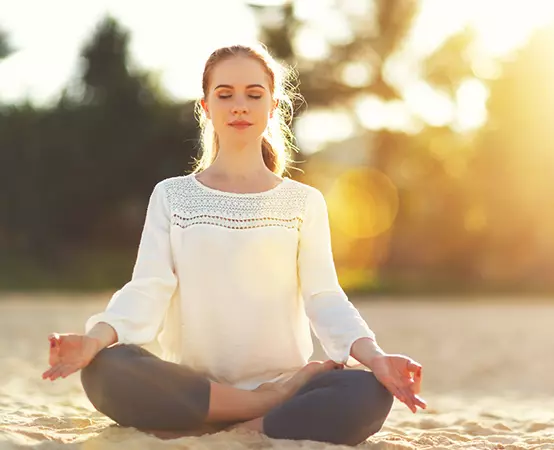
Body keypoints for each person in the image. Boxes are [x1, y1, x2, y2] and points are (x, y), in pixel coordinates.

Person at [41, 43, 425, 446]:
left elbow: (324, 296)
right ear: (206, 106)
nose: (239, 105)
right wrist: (94, 340)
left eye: (253, 95)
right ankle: (255, 409)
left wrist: (378, 359)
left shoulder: (303, 202)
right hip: (194, 386)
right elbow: (148, 287)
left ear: (272, 106)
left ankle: (231, 419)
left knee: (369, 392)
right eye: (225, 94)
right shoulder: (172, 196)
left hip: (283, 384)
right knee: (107, 368)